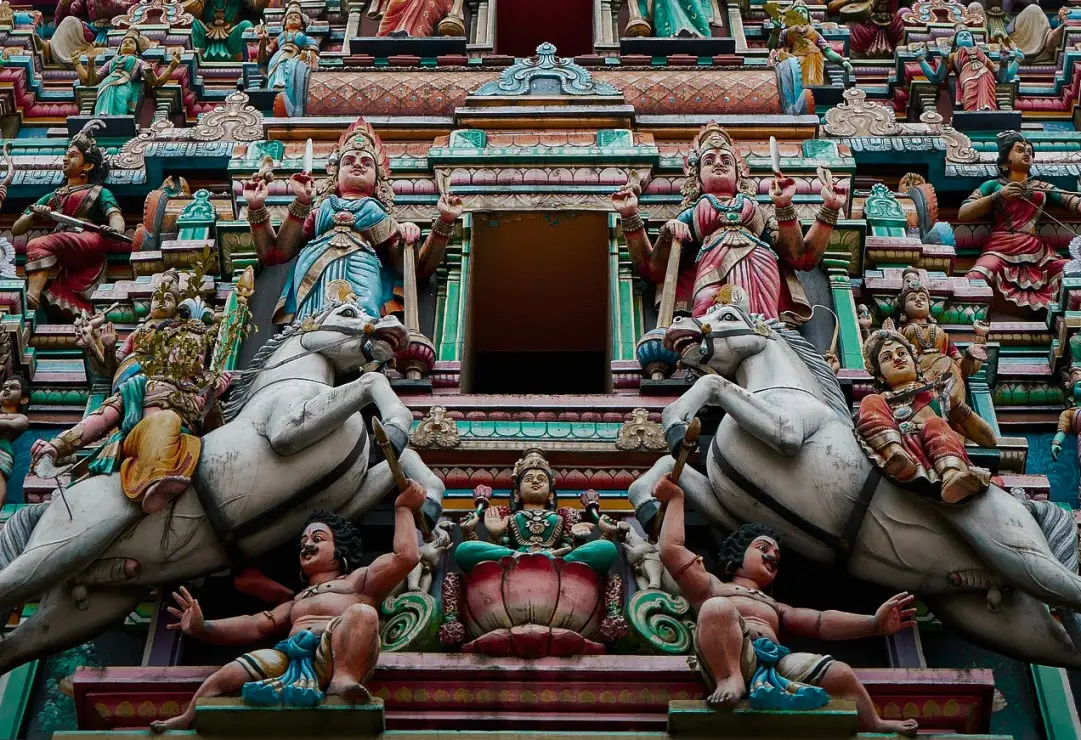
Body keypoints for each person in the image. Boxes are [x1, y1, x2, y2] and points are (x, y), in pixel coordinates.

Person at [149, 482, 426, 732]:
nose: (307, 545)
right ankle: (187, 716)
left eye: (317, 539)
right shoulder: (298, 601)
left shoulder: (359, 581)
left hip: (337, 653)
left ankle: (343, 681)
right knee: (230, 672)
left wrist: (403, 509)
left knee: (362, 613)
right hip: (291, 657)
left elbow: (406, 557)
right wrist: (203, 627)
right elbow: (256, 624)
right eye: (304, 541)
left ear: (339, 549)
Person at [653, 476, 919, 736]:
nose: (771, 556)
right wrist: (677, 499)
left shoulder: (776, 606)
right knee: (717, 608)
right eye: (762, 548)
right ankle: (729, 678)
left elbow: (820, 622)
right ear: (737, 553)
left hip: (775, 661)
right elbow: (671, 550)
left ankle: (873, 722)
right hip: (730, 658)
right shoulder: (714, 587)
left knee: (840, 672)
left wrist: (873, 624)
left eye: (777, 557)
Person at [611, 121, 845, 324]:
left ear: (738, 175)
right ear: (697, 178)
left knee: (762, 326)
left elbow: (801, 257)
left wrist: (819, 207)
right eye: (709, 161)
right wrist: (634, 216)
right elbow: (651, 269)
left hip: (761, 268)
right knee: (709, 322)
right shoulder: (693, 213)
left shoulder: (757, 213)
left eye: (726, 160)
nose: (719, 164)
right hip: (711, 269)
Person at [243, 117, 462, 325]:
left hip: (362, 268)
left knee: (361, 321)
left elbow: (414, 270)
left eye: (366, 163)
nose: (358, 165)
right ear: (335, 176)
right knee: (311, 322)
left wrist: (440, 224)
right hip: (314, 268)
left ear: (378, 180)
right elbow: (276, 253)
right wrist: (260, 206)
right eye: (349, 161)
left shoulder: (379, 214)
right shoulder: (322, 210)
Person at [31, 297, 231, 514]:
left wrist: (212, 398)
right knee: (167, 419)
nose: (193, 356)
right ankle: (155, 481)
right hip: (140, 441)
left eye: (199, 352)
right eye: (184, 347)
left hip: (184, 450)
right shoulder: (142, 384)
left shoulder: (198, 396)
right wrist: (57, 446)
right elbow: (103, 417)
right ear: (165, 351)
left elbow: (217, 439)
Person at [856, 323, 991, 503]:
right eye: (887, 358)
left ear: (915, 361)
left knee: (936, 424)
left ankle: (952, 475)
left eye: (902, 353)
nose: (897, 359)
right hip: (896, 447)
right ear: (880, 376)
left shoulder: (937, 396)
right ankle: (895, 454)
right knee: (870, 400)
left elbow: (989, 440)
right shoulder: (881, 400)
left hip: (934, 450)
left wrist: (958, 406)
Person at [958, 130, 1079, 314]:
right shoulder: (994, 185)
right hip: (1001, 247)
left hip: (1038, 252)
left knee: (1072, 273)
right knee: (977, 277)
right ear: (1006, 161)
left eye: (1029, 151)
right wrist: (998, 196)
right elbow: (963, 213)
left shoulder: (1041, 187)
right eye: (1020, 150)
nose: (1027, 154)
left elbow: (1072, 201)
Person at [12, 121, 124, 314]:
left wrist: (115, 230)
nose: (65, 159)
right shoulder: (54, 196)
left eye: (73, 156)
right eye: (66, 154)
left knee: (39, 244)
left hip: (88, 238)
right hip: (64, 239)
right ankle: (33, 295)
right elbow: (17, 229)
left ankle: (32, 295)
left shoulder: (98, 192)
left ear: (88, 165)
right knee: (38, 244)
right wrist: (35, 216)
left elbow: (114, 215)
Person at [454, 448, 618, 575]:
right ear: (517, 493)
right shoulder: (507, 517)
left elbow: (570, 548)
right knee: (465, 550)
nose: (535, 482)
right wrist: (492, 534)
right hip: (513, 559)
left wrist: (605, 535)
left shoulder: (563, 517)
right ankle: (523, 558)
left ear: (551, 493)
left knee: (606, 548)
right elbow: (496, 549)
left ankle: (545, 560)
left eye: (541, 480)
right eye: (528, 479)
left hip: (558, 561)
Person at [73, 29, 180, 116]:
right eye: (124, 42)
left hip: (124, 85)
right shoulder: (111, 62)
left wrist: (172, 65)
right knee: (101, 106)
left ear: (136, 50)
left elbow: (157, 82)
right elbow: (91, 81)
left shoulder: (138, 62)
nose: (127, 43)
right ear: (119, 48)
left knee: (120, 103)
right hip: (106, 85)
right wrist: (88, 63)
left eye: (131, 42)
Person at [0, 377, 29, 508]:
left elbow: (12, 425)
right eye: (4, 387)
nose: (6, 389)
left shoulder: (20, 418)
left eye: (13, 387)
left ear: (23, 399)